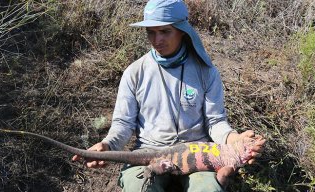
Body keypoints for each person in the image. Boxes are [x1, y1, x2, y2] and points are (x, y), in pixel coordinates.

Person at [72, 0, 266, 191]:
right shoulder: (135, 72)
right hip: (148, 153)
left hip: (196, 152)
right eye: (151, 32)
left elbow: (215, 122)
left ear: (182, 30)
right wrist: (107, 146)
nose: (157, 40)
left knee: (207, 188)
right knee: (138, 187)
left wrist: (233, 139)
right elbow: (123, 124)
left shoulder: (206, 72)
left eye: (165, 31)